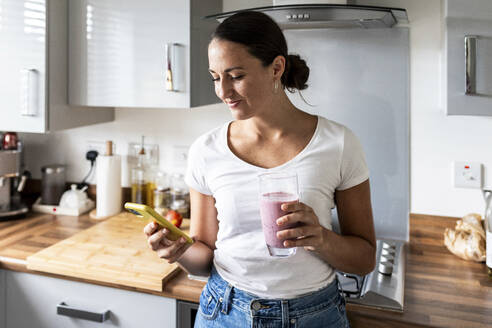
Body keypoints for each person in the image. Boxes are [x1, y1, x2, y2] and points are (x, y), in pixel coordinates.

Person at [144, 11, 376, 328]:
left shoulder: (338, 144)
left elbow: (364, 260)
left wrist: (321, 238)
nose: (223, 91)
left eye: (236, 76)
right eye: (215, 77)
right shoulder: (206, 150)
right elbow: (203, 260)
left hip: (316, 315)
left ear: (276, 68)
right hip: (225, 312)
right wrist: (178, 250)